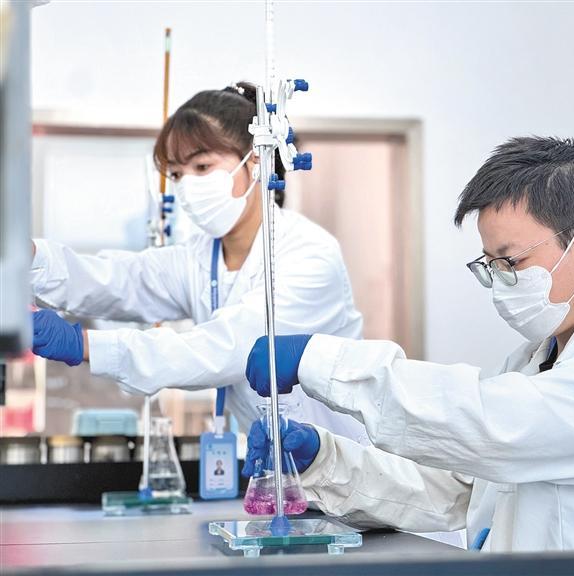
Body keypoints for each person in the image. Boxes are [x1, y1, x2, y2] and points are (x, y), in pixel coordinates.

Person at [242, 137, 574, 552]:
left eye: (511, 262)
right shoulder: (537, 359)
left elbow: (497, 427)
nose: (500, 283)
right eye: (490, 265)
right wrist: (323, 460)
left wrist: (323, 361)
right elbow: (456, 489)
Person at [30, 82, 367, 443]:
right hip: (275, 462)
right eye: (177, 174)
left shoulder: (309, 253)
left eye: (203, 166)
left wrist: (83, 344)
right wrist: (25, 258)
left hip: (349, 465)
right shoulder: (199, 257)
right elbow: (119, 280)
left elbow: (227, 349)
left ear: (256, 160)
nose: (188, 187)